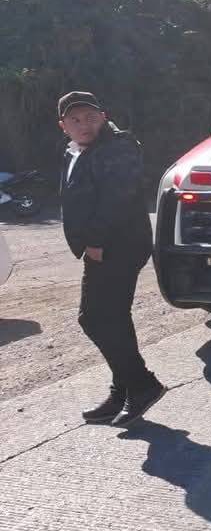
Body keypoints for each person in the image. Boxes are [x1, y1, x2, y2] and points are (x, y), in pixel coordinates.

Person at [57, 91, 164, 427]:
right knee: (112, 318)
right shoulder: (74, 151)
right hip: (104, 246)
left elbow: (118, 197)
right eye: (75, 120)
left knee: (95, 319)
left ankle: (143, 384)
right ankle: (123, 390)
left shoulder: (119, 146)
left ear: (103, 117)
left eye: (90, 117)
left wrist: (95, 241)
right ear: (64, 126)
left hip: (117, 245)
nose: (83, 124)